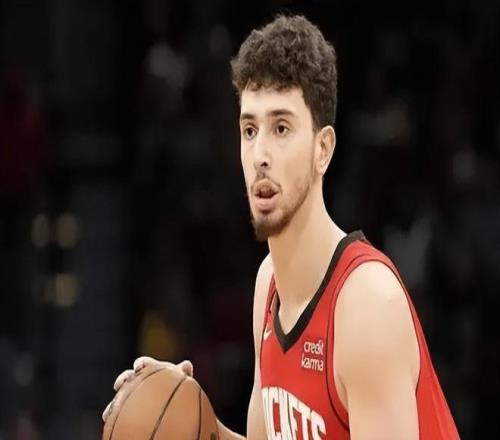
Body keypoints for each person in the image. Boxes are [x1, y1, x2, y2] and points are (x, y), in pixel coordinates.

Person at [103, 15, 459, 439]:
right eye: (250, 129)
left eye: (281, 128)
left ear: (323, 149)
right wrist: (190, 422)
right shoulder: (268, 286)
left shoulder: (366, 305)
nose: (260, 155)